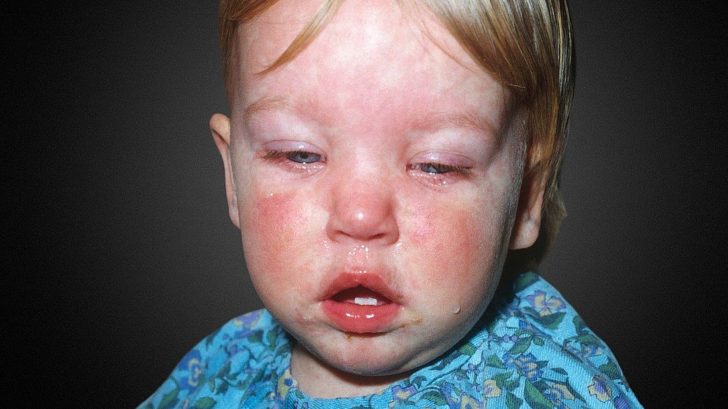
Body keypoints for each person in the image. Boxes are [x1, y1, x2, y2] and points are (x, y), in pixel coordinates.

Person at [141, 0, 642, 407]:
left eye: (436, 165)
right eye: (299, 154)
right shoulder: (218, 367)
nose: (360, 217)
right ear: (233, 177)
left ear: (527, 195)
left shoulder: (551, 389)